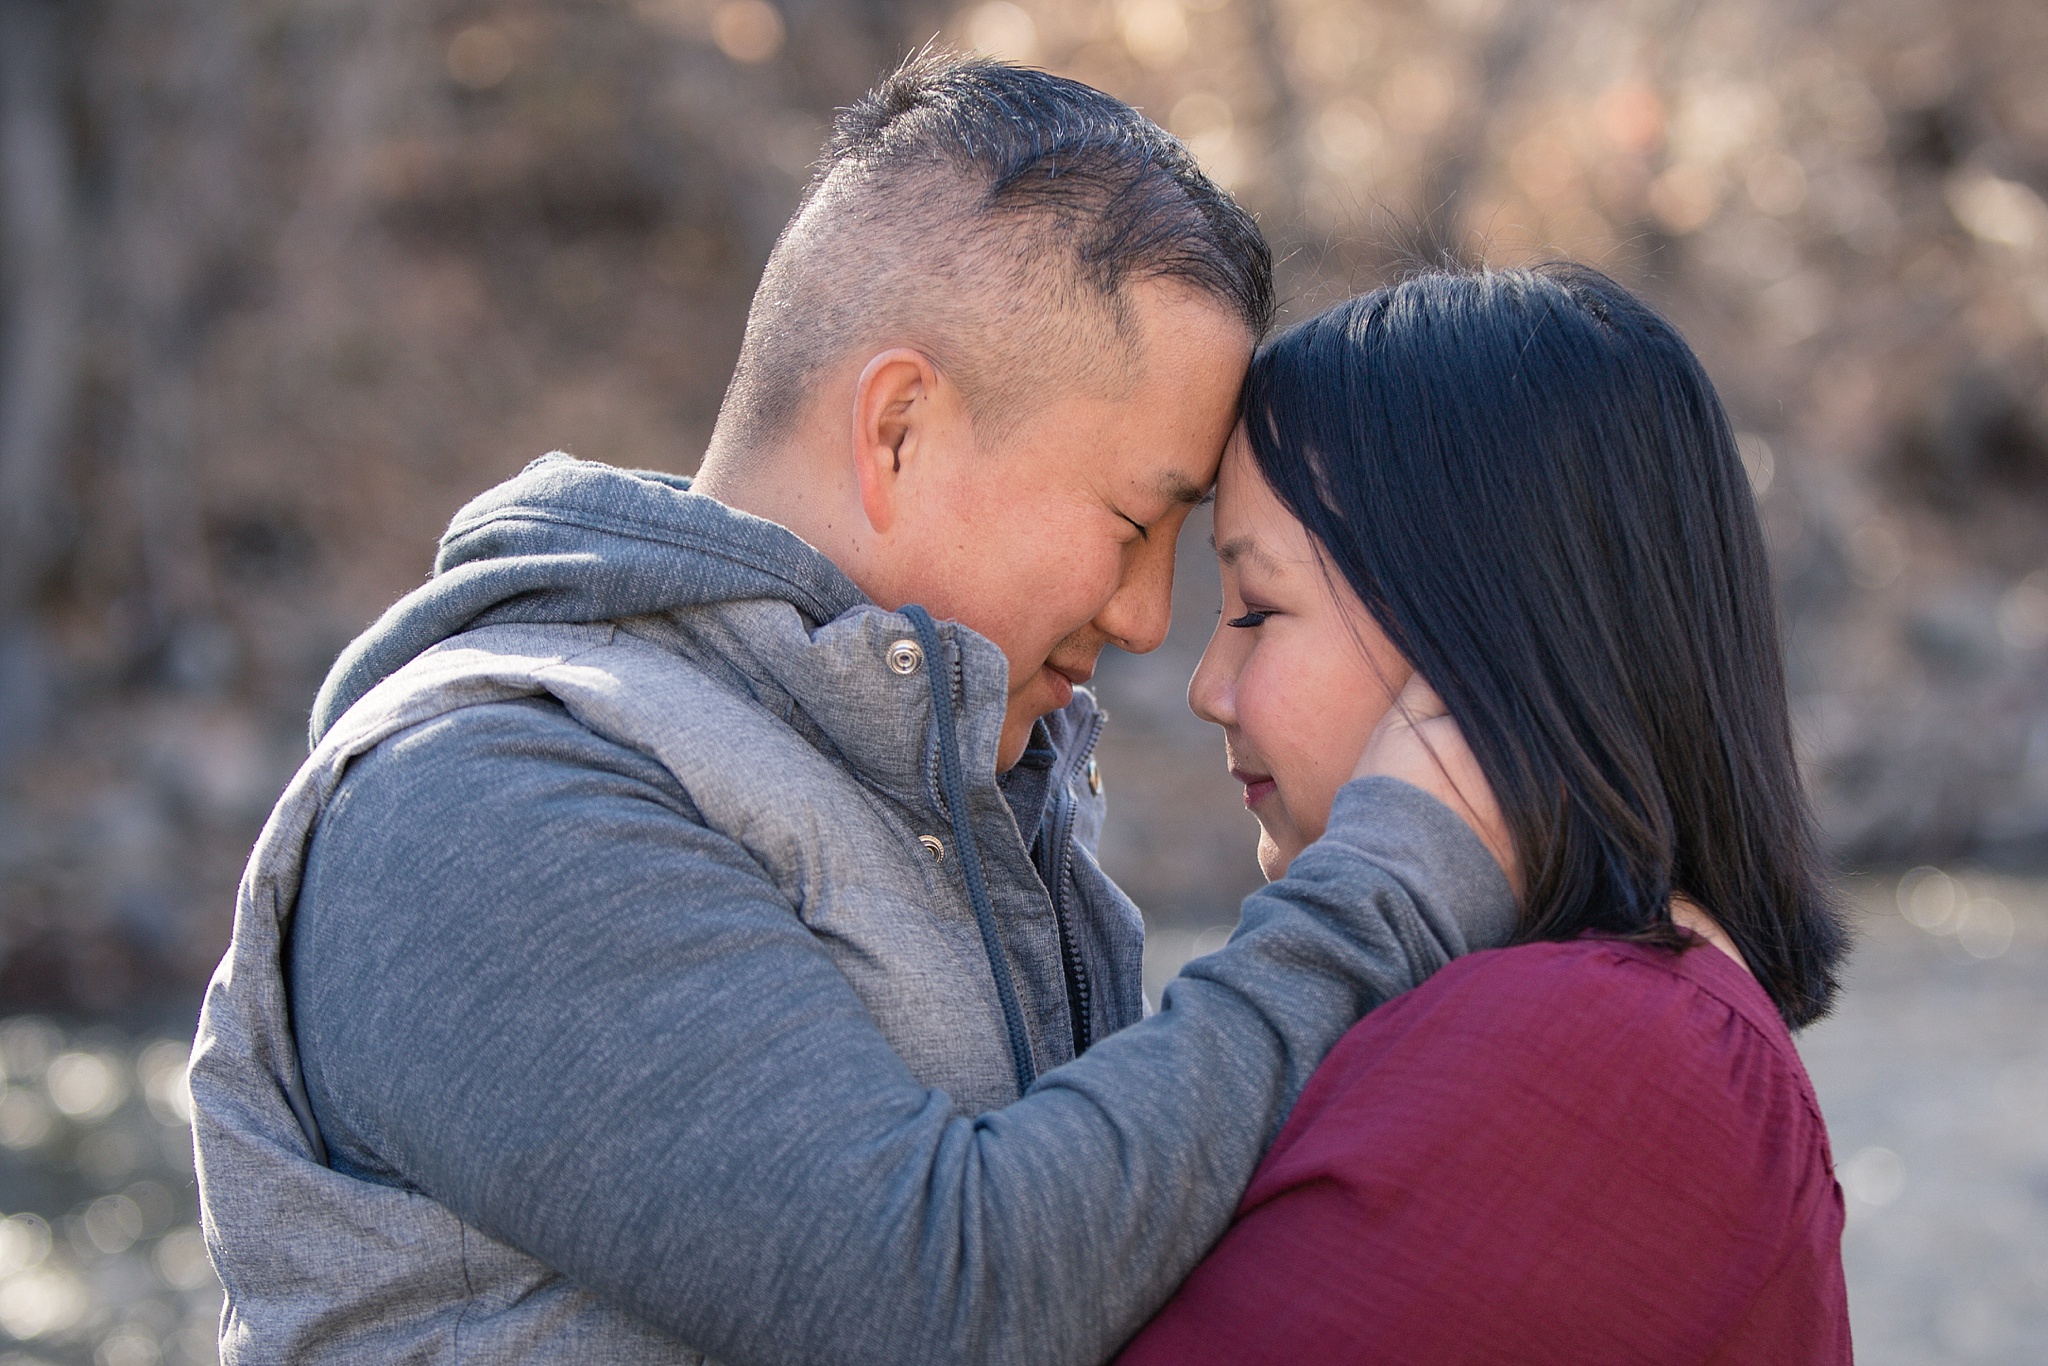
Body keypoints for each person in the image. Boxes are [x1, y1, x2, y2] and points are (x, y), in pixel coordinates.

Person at [189, 55, 1520, 1365]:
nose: (1143, 619)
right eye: (1133, 522)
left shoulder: (966, 791)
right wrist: (1392, 882)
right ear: (897, 431)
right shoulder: (484, 791)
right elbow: (935, 1297)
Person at [1117, 264, 1854, 1364]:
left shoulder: (1603, 1052)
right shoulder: (1601, 1018)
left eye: (1257, 610)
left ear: (1475, 643)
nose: (1205, 687)